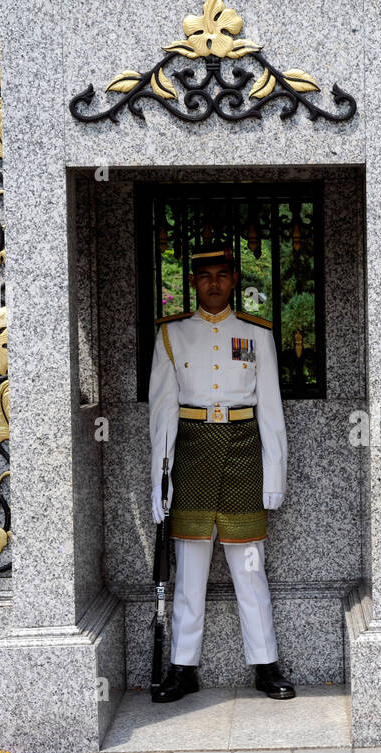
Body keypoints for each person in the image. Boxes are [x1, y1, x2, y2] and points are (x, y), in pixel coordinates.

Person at [148, 243, 294, 702]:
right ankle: (182, 668)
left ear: (233, 280)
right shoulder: (172, 334)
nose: (213, 282)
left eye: (222, 275)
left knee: (249, 567)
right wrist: (160, 477)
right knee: (190, 569)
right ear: (193, 282)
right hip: (191, 455)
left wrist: (275, 475)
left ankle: (266, 664)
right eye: (205, 275)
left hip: (243, 453)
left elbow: (270, 409)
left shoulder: (256, 334)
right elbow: (162, 412)